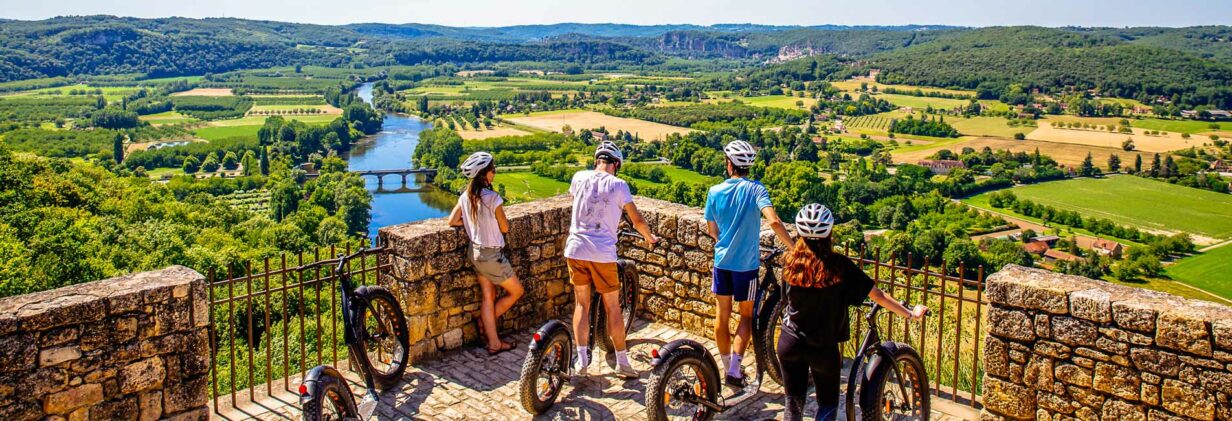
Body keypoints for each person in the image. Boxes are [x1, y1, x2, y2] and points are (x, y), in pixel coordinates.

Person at [778, 203, 928, 421]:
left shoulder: (790, 262)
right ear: (829, 232)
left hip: (789, 340)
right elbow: (877, 295)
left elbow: (785, 300)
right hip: (822, 347)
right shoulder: (839, 266)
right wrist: (909, 313)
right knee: (827, 404)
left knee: (793, 403)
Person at [703, 140, 793, 388]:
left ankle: (725, 365)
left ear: (729, 164)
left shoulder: (714, 191)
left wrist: (726, 240)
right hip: (746, 266)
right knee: (745, 317)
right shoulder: (756, 190)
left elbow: (712, 230)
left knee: (721, 317)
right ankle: (734, 369)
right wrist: (794, 248)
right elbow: (773, 221)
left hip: (722, 263)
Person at [565, 141, 658, 379]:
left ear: (597, 160)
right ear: (616, 164)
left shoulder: (578, 177)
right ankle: (622, 362)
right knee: (613, 307)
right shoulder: (619, 185)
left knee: (581, 305)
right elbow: (635, 219)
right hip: (602, 253)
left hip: (575, 248)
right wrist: (649, 238)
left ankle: (582, 361)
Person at [448, 152, 525, 355]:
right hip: (492, 256)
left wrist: (472, 226)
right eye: (492, 169)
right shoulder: (493, 198)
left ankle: (493, 343)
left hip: (475, 252)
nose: (494, 173)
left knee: (487, 297)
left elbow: (452, 221)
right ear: (485, 174)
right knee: (517, 291)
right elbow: (505, 227)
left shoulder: (466, 197)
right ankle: (486, 323)